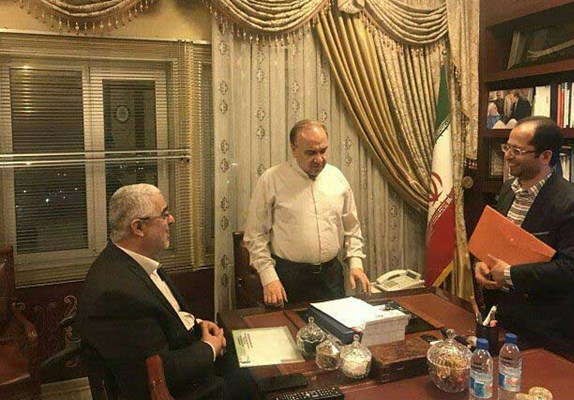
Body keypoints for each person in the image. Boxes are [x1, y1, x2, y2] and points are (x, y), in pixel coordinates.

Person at [77, 184, 229, 400]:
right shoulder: (116, 293)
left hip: (189, 356)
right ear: (138, 227)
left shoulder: (136, 261)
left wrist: (197, 325)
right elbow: (156, 374)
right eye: (164, 214)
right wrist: (208, 348)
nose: (172, 220)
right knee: (258, 382)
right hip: (185, 391)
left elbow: (162, 318)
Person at [474, 116, 574, 356]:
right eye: (507, 147)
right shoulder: (508, 189)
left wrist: (510, 274)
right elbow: (502, 243)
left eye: (517, 151)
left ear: (545, 156)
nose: (507, 156)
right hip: (507, 318)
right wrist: (484, 264)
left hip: (551, 331)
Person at [244, 119, 371, 307]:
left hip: (330, 277)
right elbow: (255, 235)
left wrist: (356, 263)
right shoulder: (272, 179)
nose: (319, 159)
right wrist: (268, 277)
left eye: (323, 151)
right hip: (288, 278)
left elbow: (351, 227)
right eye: (311, 153)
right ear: (294, 149)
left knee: (335, 325)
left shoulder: (336, 177)